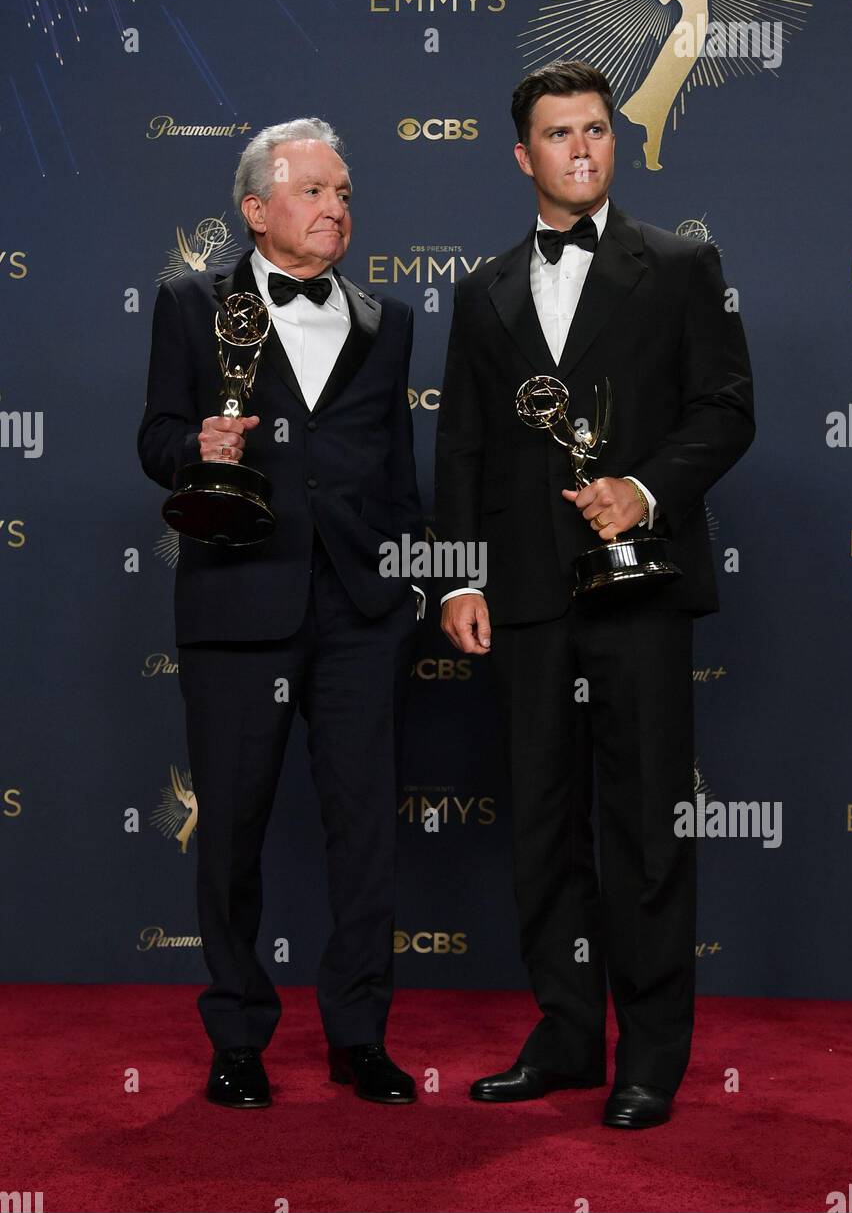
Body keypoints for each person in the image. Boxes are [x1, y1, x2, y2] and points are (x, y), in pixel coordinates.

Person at [434, 61, 754, 1128]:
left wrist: (644, 486)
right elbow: (462, 446)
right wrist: (461, 575)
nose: (582, 148)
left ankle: (650, 1055)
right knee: (539, 824)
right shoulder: (480, 291)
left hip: (639, 592)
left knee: (646, 830)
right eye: (558, 134)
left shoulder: (677, 264)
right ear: (521, 155)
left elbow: (724, 409)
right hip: (524, 597)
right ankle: (566, 1034)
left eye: (595, 130)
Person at [139, 119, 422, 1108]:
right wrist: (198, 449)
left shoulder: (389, 322)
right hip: (238, 597)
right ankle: (237, 1036)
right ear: (256, 209)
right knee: (231, 833)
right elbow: (156, 435)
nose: (336, 209)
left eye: (343, 192)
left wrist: (413, 578)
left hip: (358, 606)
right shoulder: (189, 307)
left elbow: (396, 469)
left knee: (365, 832)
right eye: (312, 192)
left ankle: (358, 1036)